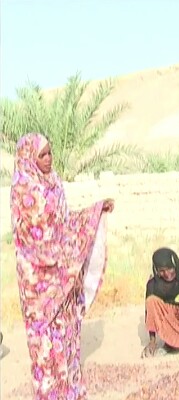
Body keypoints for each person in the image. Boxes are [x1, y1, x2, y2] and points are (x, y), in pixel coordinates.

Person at [10, 132, 115, 400]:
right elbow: (35, 242)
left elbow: (64, 225)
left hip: (63, 274)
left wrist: (96, 210)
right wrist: (65, 267)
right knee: (45, 345)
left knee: (66, 336)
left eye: (49, 153)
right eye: (41, 155)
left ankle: (69, 391)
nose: (48, 160)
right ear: (28, 158)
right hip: (38, 284)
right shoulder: (24, 190)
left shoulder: (54, 183)